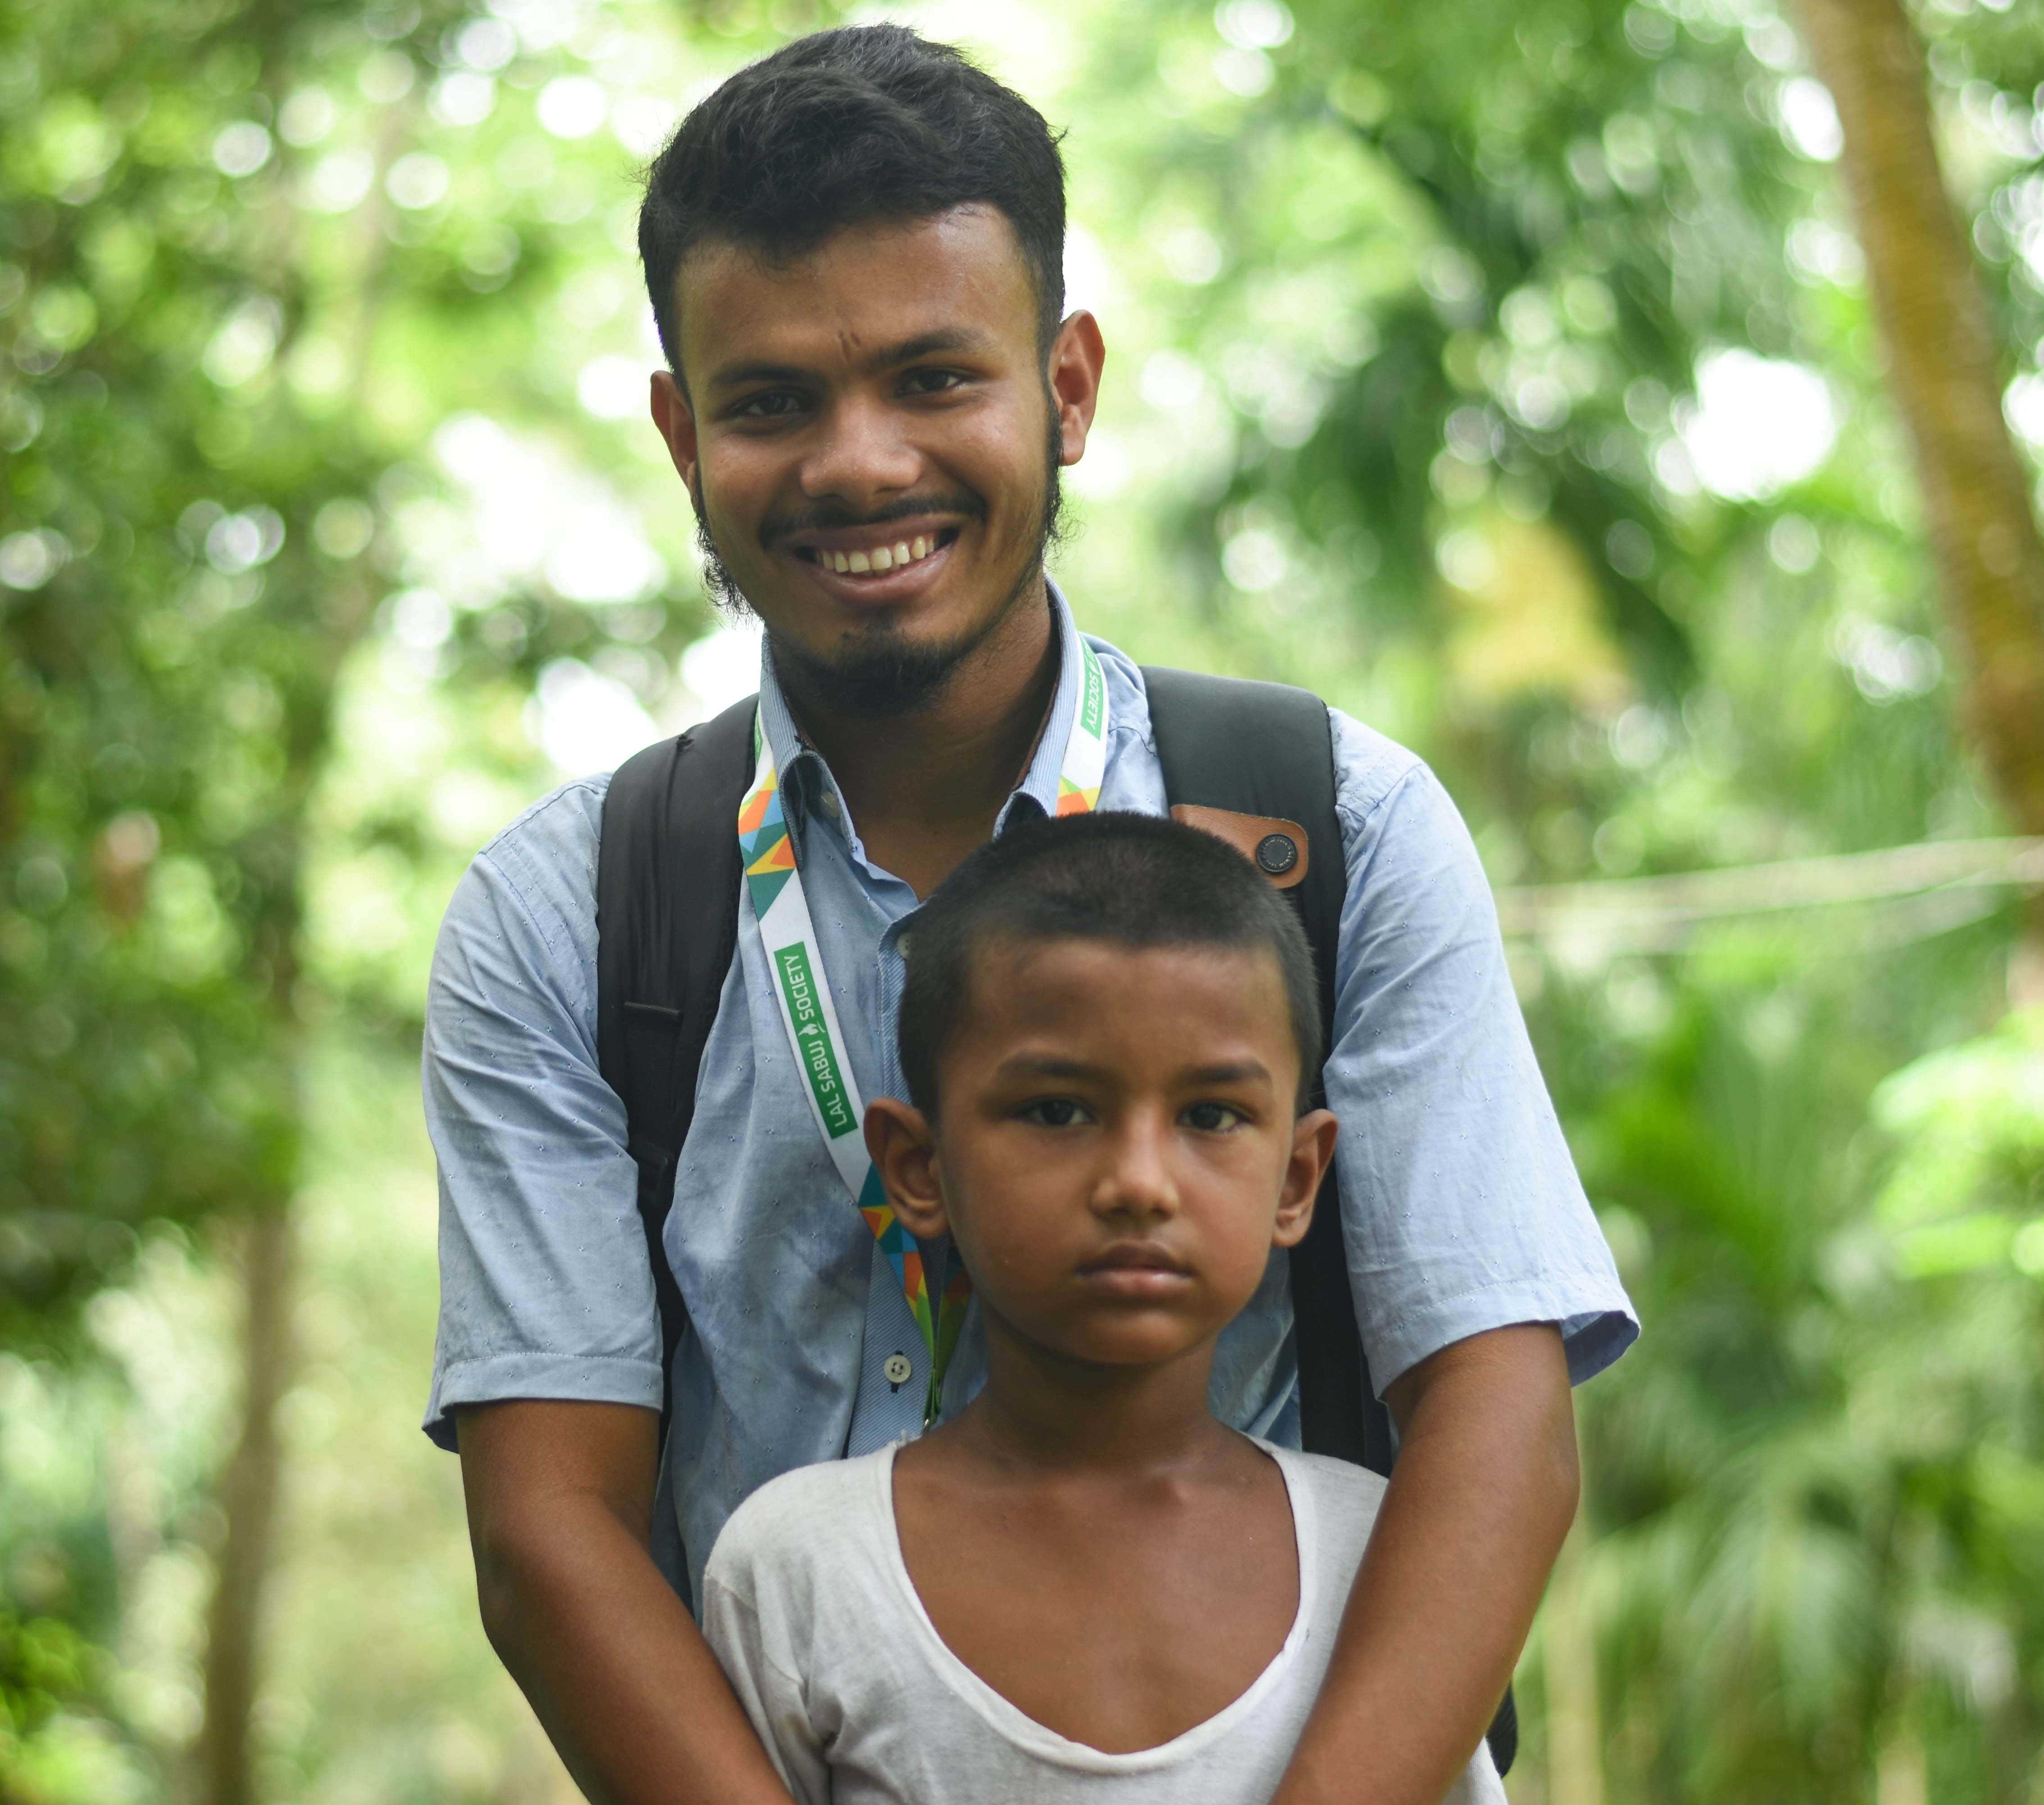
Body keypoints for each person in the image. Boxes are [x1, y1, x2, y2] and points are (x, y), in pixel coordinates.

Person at [424, 24, 1634, 1805]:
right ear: (681, 433)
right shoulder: (573, 918)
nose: (856, 464)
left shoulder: (1335, 827)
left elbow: (1501, 1419)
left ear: (1067, 386)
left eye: (935, 378)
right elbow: (552, 1526)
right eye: (769, 403)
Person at [702, 813, 1502, 1805]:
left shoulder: (1380, 1555)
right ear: (920, 1166)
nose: (1138, 1182)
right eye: (1057, 1110)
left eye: (1211, 1115)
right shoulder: (799, 1569)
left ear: (1297, 1178)